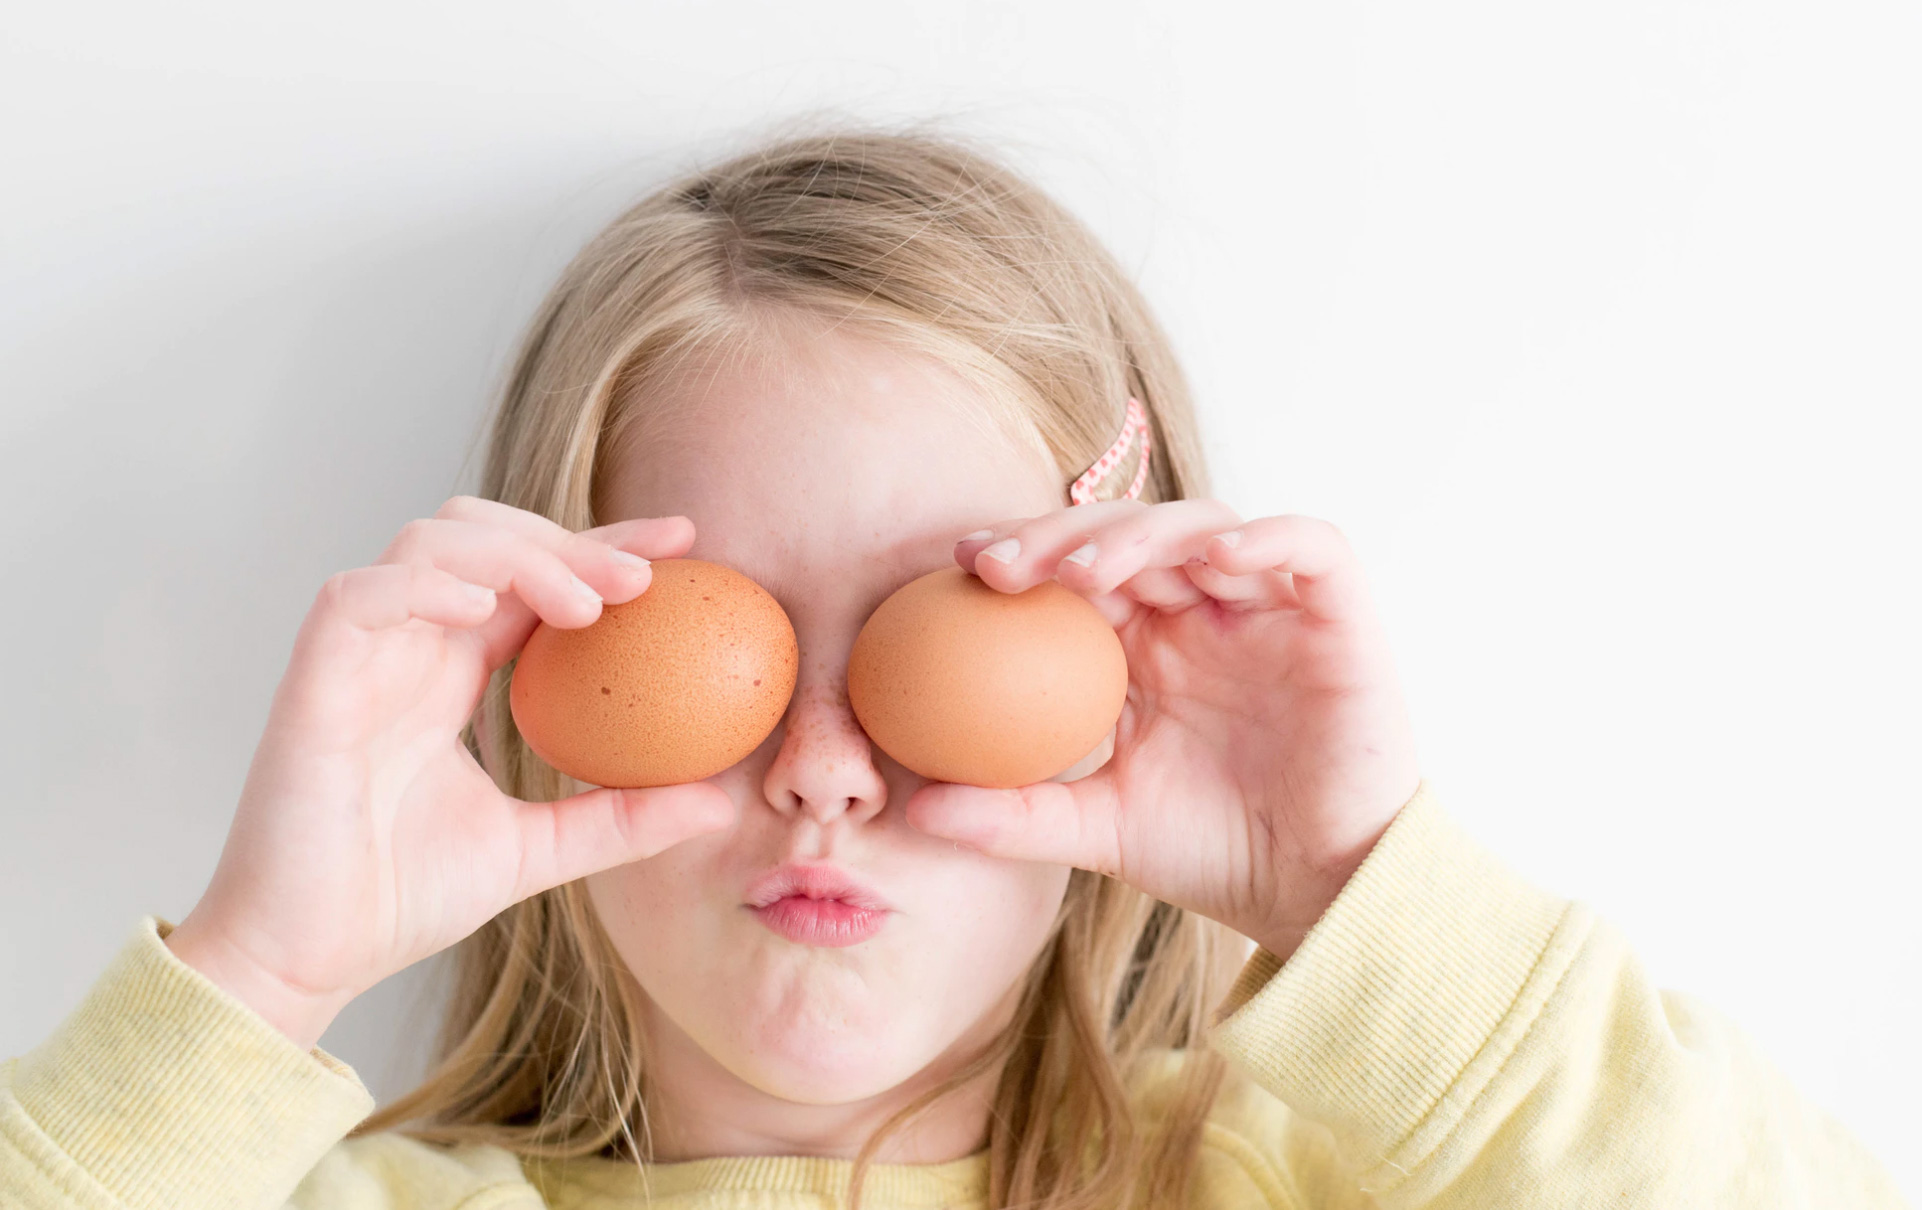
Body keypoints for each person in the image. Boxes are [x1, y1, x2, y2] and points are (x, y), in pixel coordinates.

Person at [1, 121, 1907, 1210]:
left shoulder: (1329, 1182)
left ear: (1124, 665)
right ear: (531, 684)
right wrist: (261, 972)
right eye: (719, 642)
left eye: (949, 634)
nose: (827, 766)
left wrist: (1357, 891)